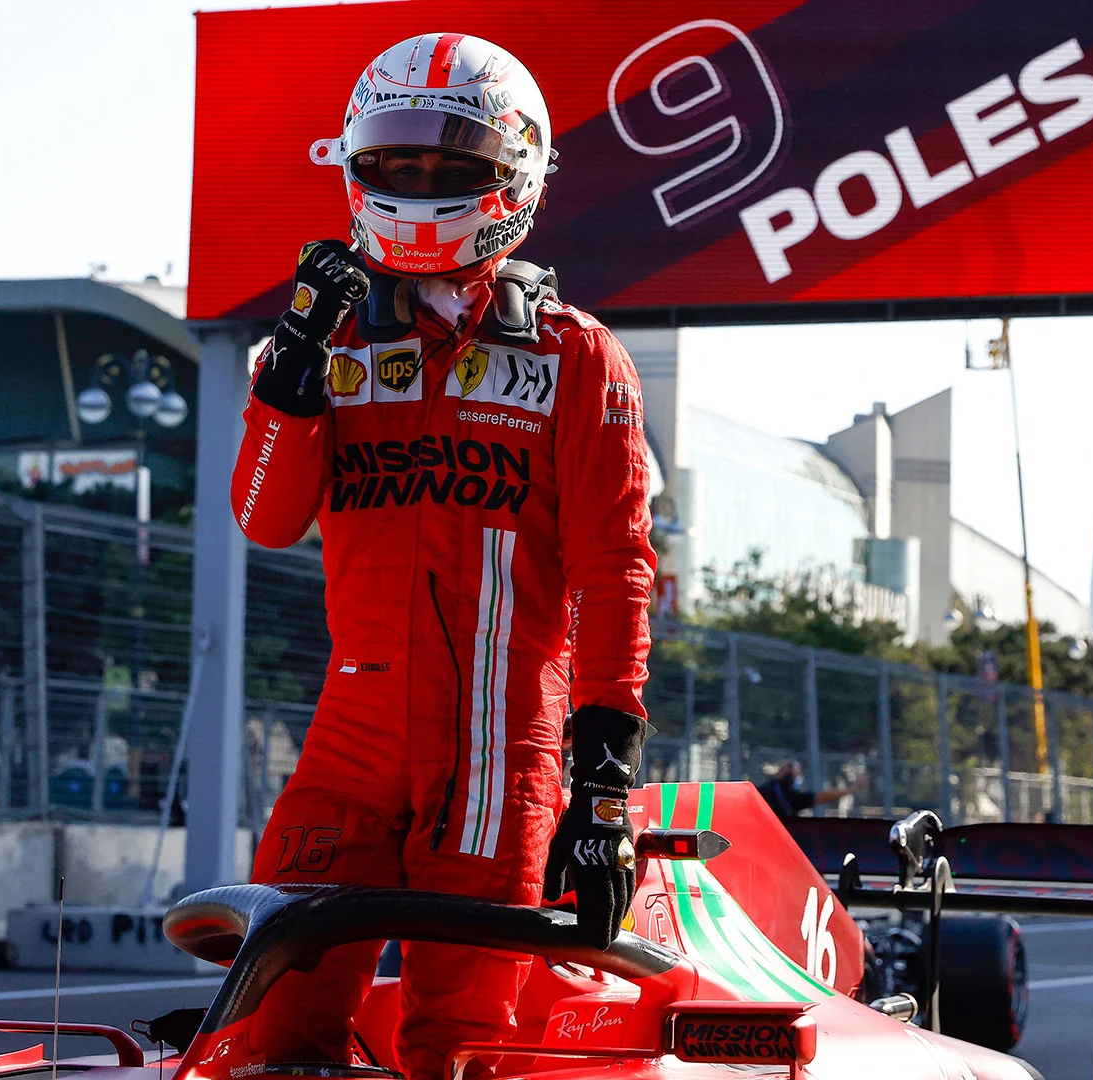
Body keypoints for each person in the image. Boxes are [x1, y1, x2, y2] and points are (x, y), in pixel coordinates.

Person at [229, 32, 657, 1078]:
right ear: (354, 165)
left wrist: (605, 785)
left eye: (450, 163)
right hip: (348, 742)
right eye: (397, 160)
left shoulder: (576, 354)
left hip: (501, 755)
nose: (420, 184)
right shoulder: (323, 343)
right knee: (276, 1040)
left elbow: (616, 571)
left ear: (516, 172)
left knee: (458, 1051)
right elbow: (263, 518)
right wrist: (290, 370)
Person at [755, 759, 868, 822]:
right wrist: (853, 789)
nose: (799, 778)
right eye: (796, 774)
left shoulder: (776, 790)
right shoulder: (780, 794)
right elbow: (821, 797)